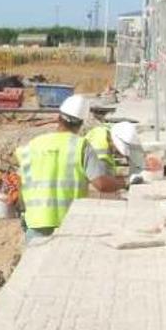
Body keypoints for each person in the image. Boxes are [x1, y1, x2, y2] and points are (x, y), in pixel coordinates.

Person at [17, 95, 126, 241]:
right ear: (81, 124)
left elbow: (20, 184)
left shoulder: (33, 145)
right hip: (69, 224)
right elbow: (101, 184)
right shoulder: (81, 145)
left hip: (36, 224)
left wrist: (24, 213)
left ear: (58, 118)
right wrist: (124, 182)